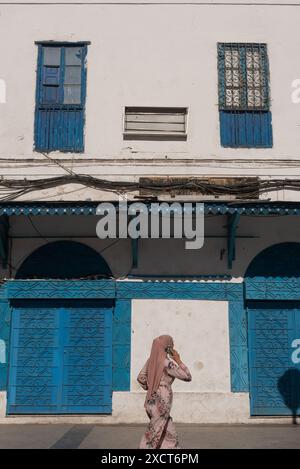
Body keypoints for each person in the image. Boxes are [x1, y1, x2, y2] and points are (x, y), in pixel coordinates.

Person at [137, 334, 192, 449]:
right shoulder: (167, 363)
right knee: (154, 431)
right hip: (162, 400)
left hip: (151, 399)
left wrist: (151, 386)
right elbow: (187, 377)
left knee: (167, 428)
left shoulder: (150, 361)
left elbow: (141, 378)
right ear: (168, 347)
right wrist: (178, 360)